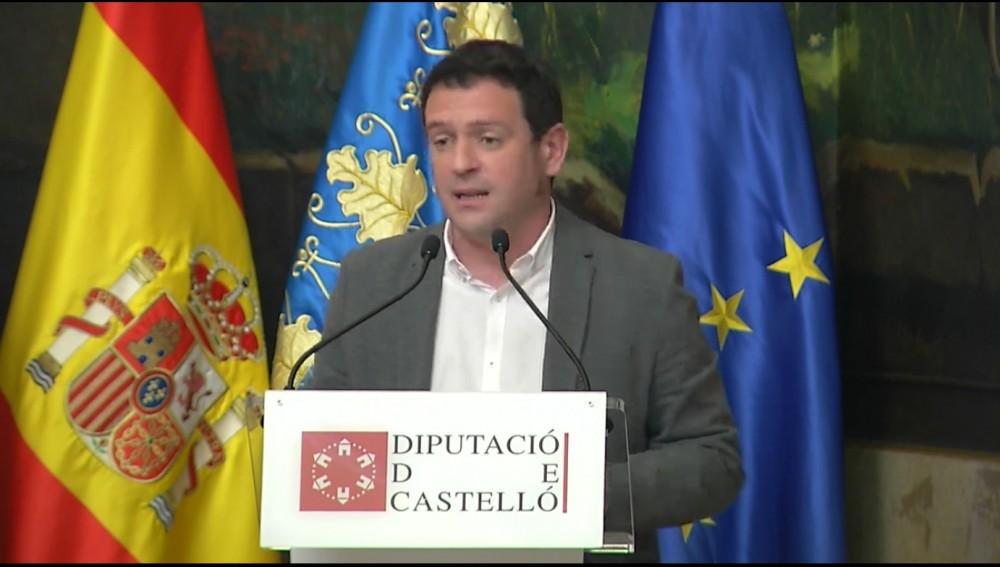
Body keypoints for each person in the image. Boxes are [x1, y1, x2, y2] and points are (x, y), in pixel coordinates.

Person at [308, 39, 744, 563]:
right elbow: (319, 450)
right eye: (442, 140)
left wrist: (566, 493)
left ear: (551, 150)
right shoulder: (372, 283)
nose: (460, 163)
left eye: (487, 139)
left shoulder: (641, 286)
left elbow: (711, 459)